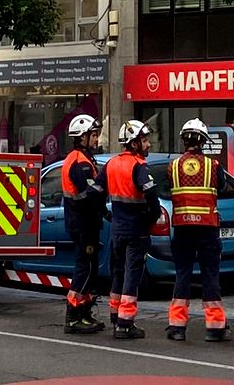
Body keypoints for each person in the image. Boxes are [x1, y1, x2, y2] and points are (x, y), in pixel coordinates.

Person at [89, 119, 160, 339]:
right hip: (136, 229)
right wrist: (151, 216)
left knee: (118, 272)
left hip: (117, 229)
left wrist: (106, 213)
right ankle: (125, 323)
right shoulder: (138, 166)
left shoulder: (111, 164)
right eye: (145, 140)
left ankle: (115, 314)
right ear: (134, 143)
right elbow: (151, 196)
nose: (148, 145)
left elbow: (95, 193)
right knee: (133, 275)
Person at [165, 118, 231, 342]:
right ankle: (215, 328)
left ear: (184, 140)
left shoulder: (172, 167)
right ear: (203, 141)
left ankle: (177, 327)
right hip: (207, 230)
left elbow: (168, 189)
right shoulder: (213, 167)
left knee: (182, 275)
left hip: (182, 229)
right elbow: (221, 188)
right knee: (210, 276)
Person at [61, 114, 105, 334]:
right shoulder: (80, 162)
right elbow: (90, 194)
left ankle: (85, 314)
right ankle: (73, 316)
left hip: (83, 221)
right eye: (94, 135)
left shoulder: (82, 159)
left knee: (89, 269)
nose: (96, 139)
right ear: (82, 137)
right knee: (84, 269)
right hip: (83, 222)